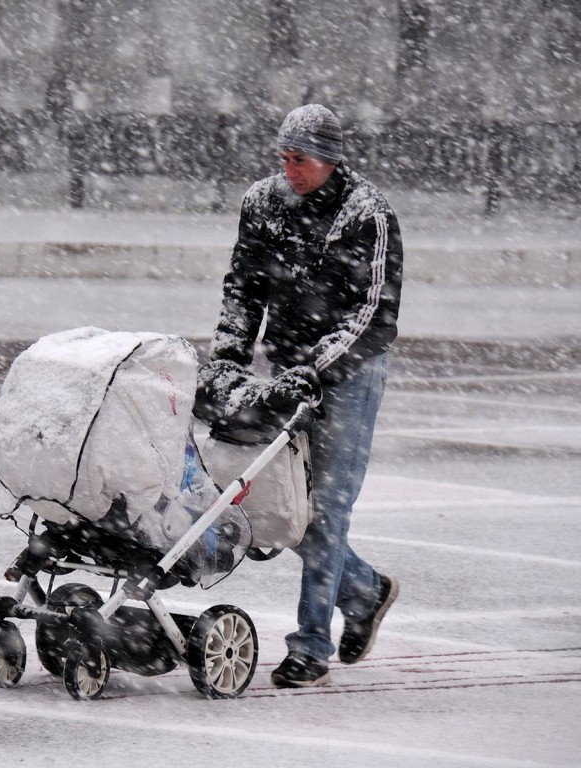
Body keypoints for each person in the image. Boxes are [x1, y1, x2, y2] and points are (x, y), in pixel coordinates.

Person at [197, 104, 402, 688]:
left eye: (300, 160)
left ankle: (311, 646)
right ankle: (364, 592)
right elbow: (243, 287)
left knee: (329, 509)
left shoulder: (369, 213)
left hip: (350, 375)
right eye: (283, 158)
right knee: (281, 504)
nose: (290, 170)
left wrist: (320, 365)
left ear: (331, 160)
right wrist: (230, 361)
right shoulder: (262, 203)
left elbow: (373, 314)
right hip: (288, 368)